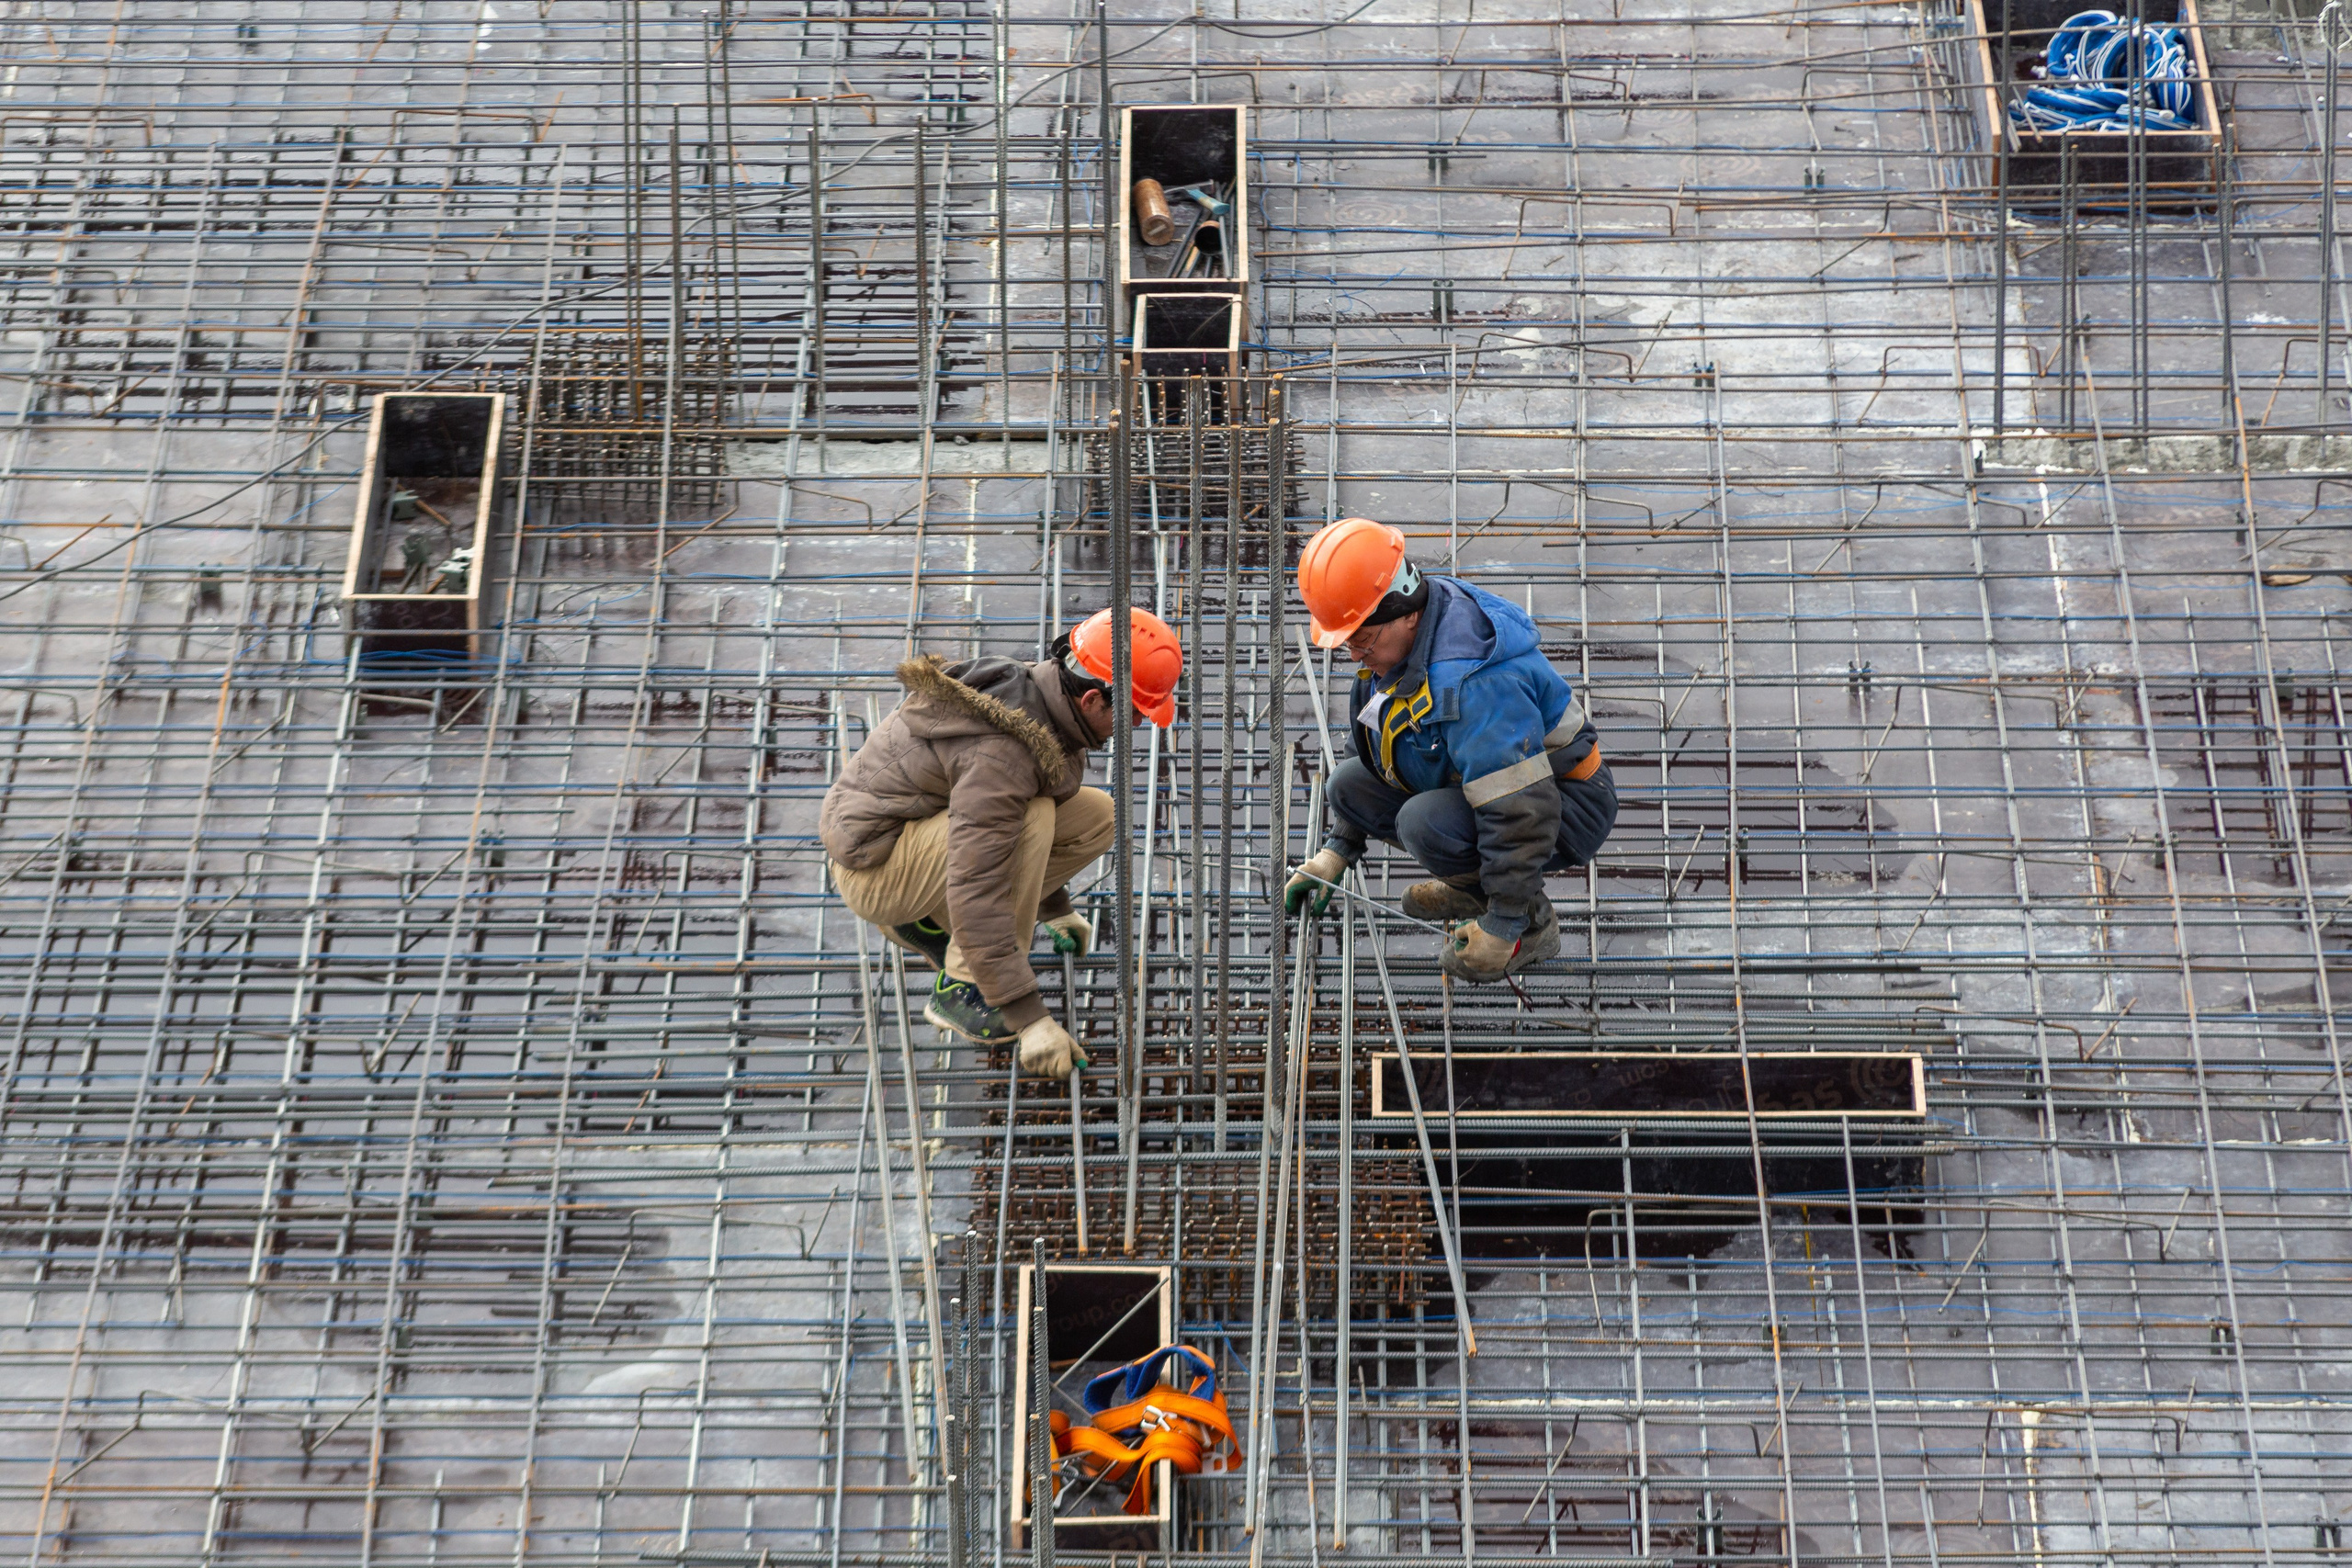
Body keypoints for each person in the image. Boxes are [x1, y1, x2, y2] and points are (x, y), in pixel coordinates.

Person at [822, 608, 1182, 1077]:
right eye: (1134, 710)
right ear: (1093, 698)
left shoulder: (1041, 697)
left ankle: (928, 923)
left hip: (916, 837)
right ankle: (961, 989)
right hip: (876, 866)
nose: (1136, 725)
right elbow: (978, 880)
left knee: (1097, 814)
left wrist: (1053, 907)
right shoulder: (1005, 752)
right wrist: (1028, 1017)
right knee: (1029, 818)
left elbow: (991, 831)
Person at [1281, 517, 1614, 982]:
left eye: (1361, 637)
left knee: (1423, 823)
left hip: (1564, 802)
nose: (1355, 654)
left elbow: (1522, 810)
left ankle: (1531, 923)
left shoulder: (1473, 684)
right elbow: (1378, 749)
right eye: (1346, 641)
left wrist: (1503, 924)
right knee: (1347, 786)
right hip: (1497, 782)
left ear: (1406, 611)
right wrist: (1339, 847)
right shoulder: (1409, 632)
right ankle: (1476, 885)